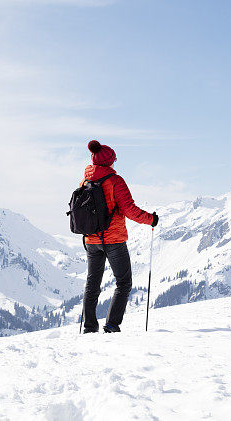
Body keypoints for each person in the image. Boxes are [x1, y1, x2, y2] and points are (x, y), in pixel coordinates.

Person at [81, 139, 158, 333]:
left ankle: (90, 327)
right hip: (113, 239)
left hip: (91, 240)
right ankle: (112, 325)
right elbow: (129, 210)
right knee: (123, 282)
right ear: (109, 161)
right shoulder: (115, 181)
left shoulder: (84, 181)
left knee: (92, 284)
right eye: (114, 159)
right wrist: (151, 220)